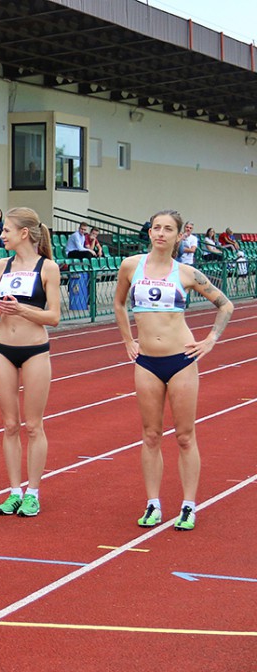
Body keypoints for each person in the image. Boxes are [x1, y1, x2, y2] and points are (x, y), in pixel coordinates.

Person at [114, 210, 233, 531]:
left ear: (179, 236)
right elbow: (119, 304)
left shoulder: (188, 273)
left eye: (168, 229)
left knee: (184, 436)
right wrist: (128, 341)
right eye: (156, 228)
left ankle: (188, 505)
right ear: (149, 232)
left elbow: (225, 305)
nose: (161, 234)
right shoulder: (131, 266)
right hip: (147, 362)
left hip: (181, 360)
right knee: (151, 435)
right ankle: (153, 503)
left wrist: (210, 340)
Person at [0, 208, 61, 517]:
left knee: (33, 425)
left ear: (24, 233)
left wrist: (21, 309)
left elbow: (53, 317)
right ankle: (14, 491)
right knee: (10, 424)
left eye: (7, 230)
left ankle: (33, 493)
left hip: (35, 350)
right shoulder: (1, 265)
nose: (1, 235)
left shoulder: (48, 268)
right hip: (2, 349)